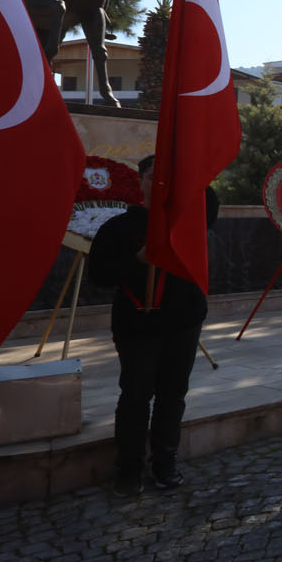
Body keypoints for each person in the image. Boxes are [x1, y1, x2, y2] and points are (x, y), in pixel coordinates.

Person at [86, 156, 218, 495]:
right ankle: (129, 468)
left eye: (167, 178)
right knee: (135, 396)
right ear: (140, 182)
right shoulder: (118, 227)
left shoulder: (189, 221)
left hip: (183, 321)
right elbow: (99, 276)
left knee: (172, 396)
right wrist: (138, 261)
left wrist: (188, 173)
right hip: (137, 324)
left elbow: (210, 201)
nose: (159, 183)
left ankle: (165, 461)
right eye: (151, 176)